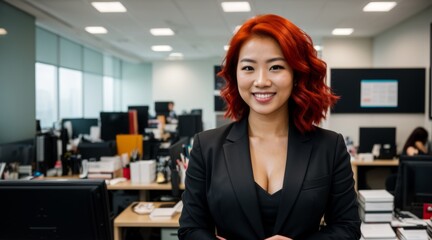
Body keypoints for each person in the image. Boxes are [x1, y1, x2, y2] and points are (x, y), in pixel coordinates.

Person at [178, 14, 361, 239]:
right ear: (235, 75)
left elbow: (347, 228)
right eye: (248, 68)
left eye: (275, 67)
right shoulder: (207, 146)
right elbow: (190, 229)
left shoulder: (329, 146)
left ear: (296, 74)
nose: (262, 80)